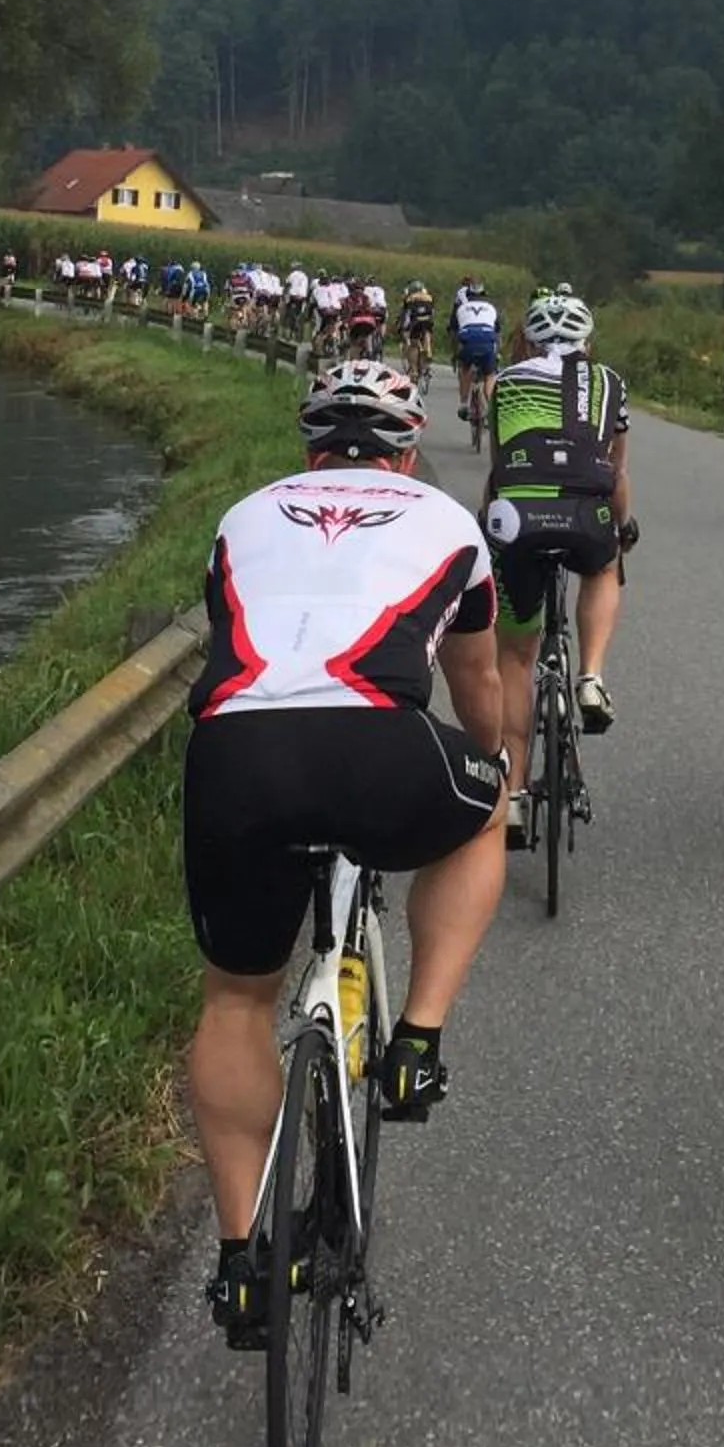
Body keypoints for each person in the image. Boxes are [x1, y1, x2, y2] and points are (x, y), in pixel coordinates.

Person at [182, 360, 511, 1349]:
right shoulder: (448, 523)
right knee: (486, 812)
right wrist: (496, 763)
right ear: (409, 452)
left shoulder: (242, 516)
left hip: (236, 754)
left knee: (236, 999)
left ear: (307, 448)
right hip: (378, 745)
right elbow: (478, 679)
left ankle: (242, 1263)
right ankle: (416, 1041)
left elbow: (238, 642)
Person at [482, 290, 633, 797]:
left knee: (515, 658)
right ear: (587, 340)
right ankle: (590, 676)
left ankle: (516, 793)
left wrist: (487, 524)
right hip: (587, 513)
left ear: (525, 339)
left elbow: (499, 466)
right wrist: (624, 525)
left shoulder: (503, 382)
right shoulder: (610, 382)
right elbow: (617, 473)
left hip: (517, 517)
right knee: (604, 566)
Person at [450, 281, 502, 420]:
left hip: (468, 341)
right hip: (487, 341)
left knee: (465, 369)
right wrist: (497, 354)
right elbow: (497, 332)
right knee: (489, 376)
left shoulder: (461, 308)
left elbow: (454, 332)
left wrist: (456, 353)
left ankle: (463, 404)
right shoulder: (491, 307)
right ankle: (491, 407)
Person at [399, 279, 438, 377]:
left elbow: (406, 315)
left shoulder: (409, 298)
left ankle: (414, 370)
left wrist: (404, 327)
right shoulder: (429, 297)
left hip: (415, 321)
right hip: (428, 321)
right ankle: (428, 351)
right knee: (427, 332)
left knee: (413, 344)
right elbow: (433, 312)